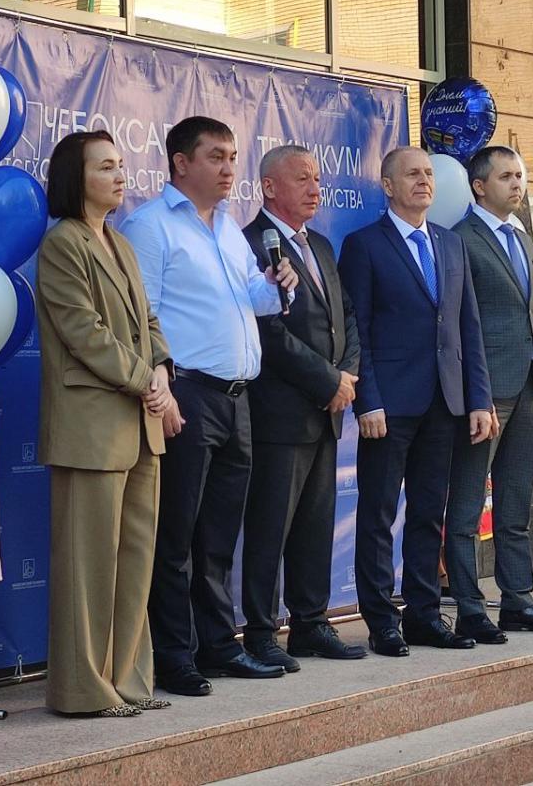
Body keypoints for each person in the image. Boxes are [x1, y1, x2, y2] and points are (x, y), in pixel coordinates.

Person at [119, 116, 299, 697]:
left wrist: (277, 283)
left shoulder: (227, 227)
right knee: (176, 536)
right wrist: (163, 389)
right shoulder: (150, 226)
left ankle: (220, 645)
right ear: (181, 163)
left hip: (238, 398)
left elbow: (256, 300)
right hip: (187, 394)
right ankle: (174, 656)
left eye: (232, 157)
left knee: (219, 538)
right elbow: (140, 317)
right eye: (216, 156)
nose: (228, 169)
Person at [36, 130, 176, 718]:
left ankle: (128, 682)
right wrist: (146, 379)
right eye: (105, 167)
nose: (120, 176)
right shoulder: (62, 244)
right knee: (88, 564)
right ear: (77, 178)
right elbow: (84, 332)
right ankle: (83, 689)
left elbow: (147, 320)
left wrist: (162, 368)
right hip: (92, 427)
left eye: (120, 165)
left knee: (134, 558)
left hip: (140, 422)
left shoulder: (118, 242)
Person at [337, 146, 493, 656]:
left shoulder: (450, 244)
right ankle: (382, 620)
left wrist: (478, 398)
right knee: (379, 515)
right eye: (412, 174)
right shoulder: (364, 245)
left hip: (445, 402)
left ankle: (424, 615)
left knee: (428, 513)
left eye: (428, 173)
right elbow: (357, 329)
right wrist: (368, 401)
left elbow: (468, 327)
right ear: (388, 185)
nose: (424, 181)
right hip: (389, 406)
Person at [240, 145, 366, 670]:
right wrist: (326, 379)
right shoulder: (250, 244)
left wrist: (346, 376)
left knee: (315, 525)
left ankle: (311, 624)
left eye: (317, 179)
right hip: (280, 413)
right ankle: (260, 633)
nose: (316, 189)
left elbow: (346, 317)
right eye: (302, 179)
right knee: (270, 528)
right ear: (270, 187)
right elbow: (266, 331)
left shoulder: (321, 245)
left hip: (328, 410)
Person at [447, 146, 533, 644]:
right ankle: (469, 608)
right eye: (506, 177)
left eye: (520, 176)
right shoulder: (461, 240)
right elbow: (460, 325)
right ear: (479, 186)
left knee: (516, 503)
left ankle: (518, 601)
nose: (518, 184)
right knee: (465, 508)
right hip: (484, 394)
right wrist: (476, 395)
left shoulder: (522, 238)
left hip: (528, 389)